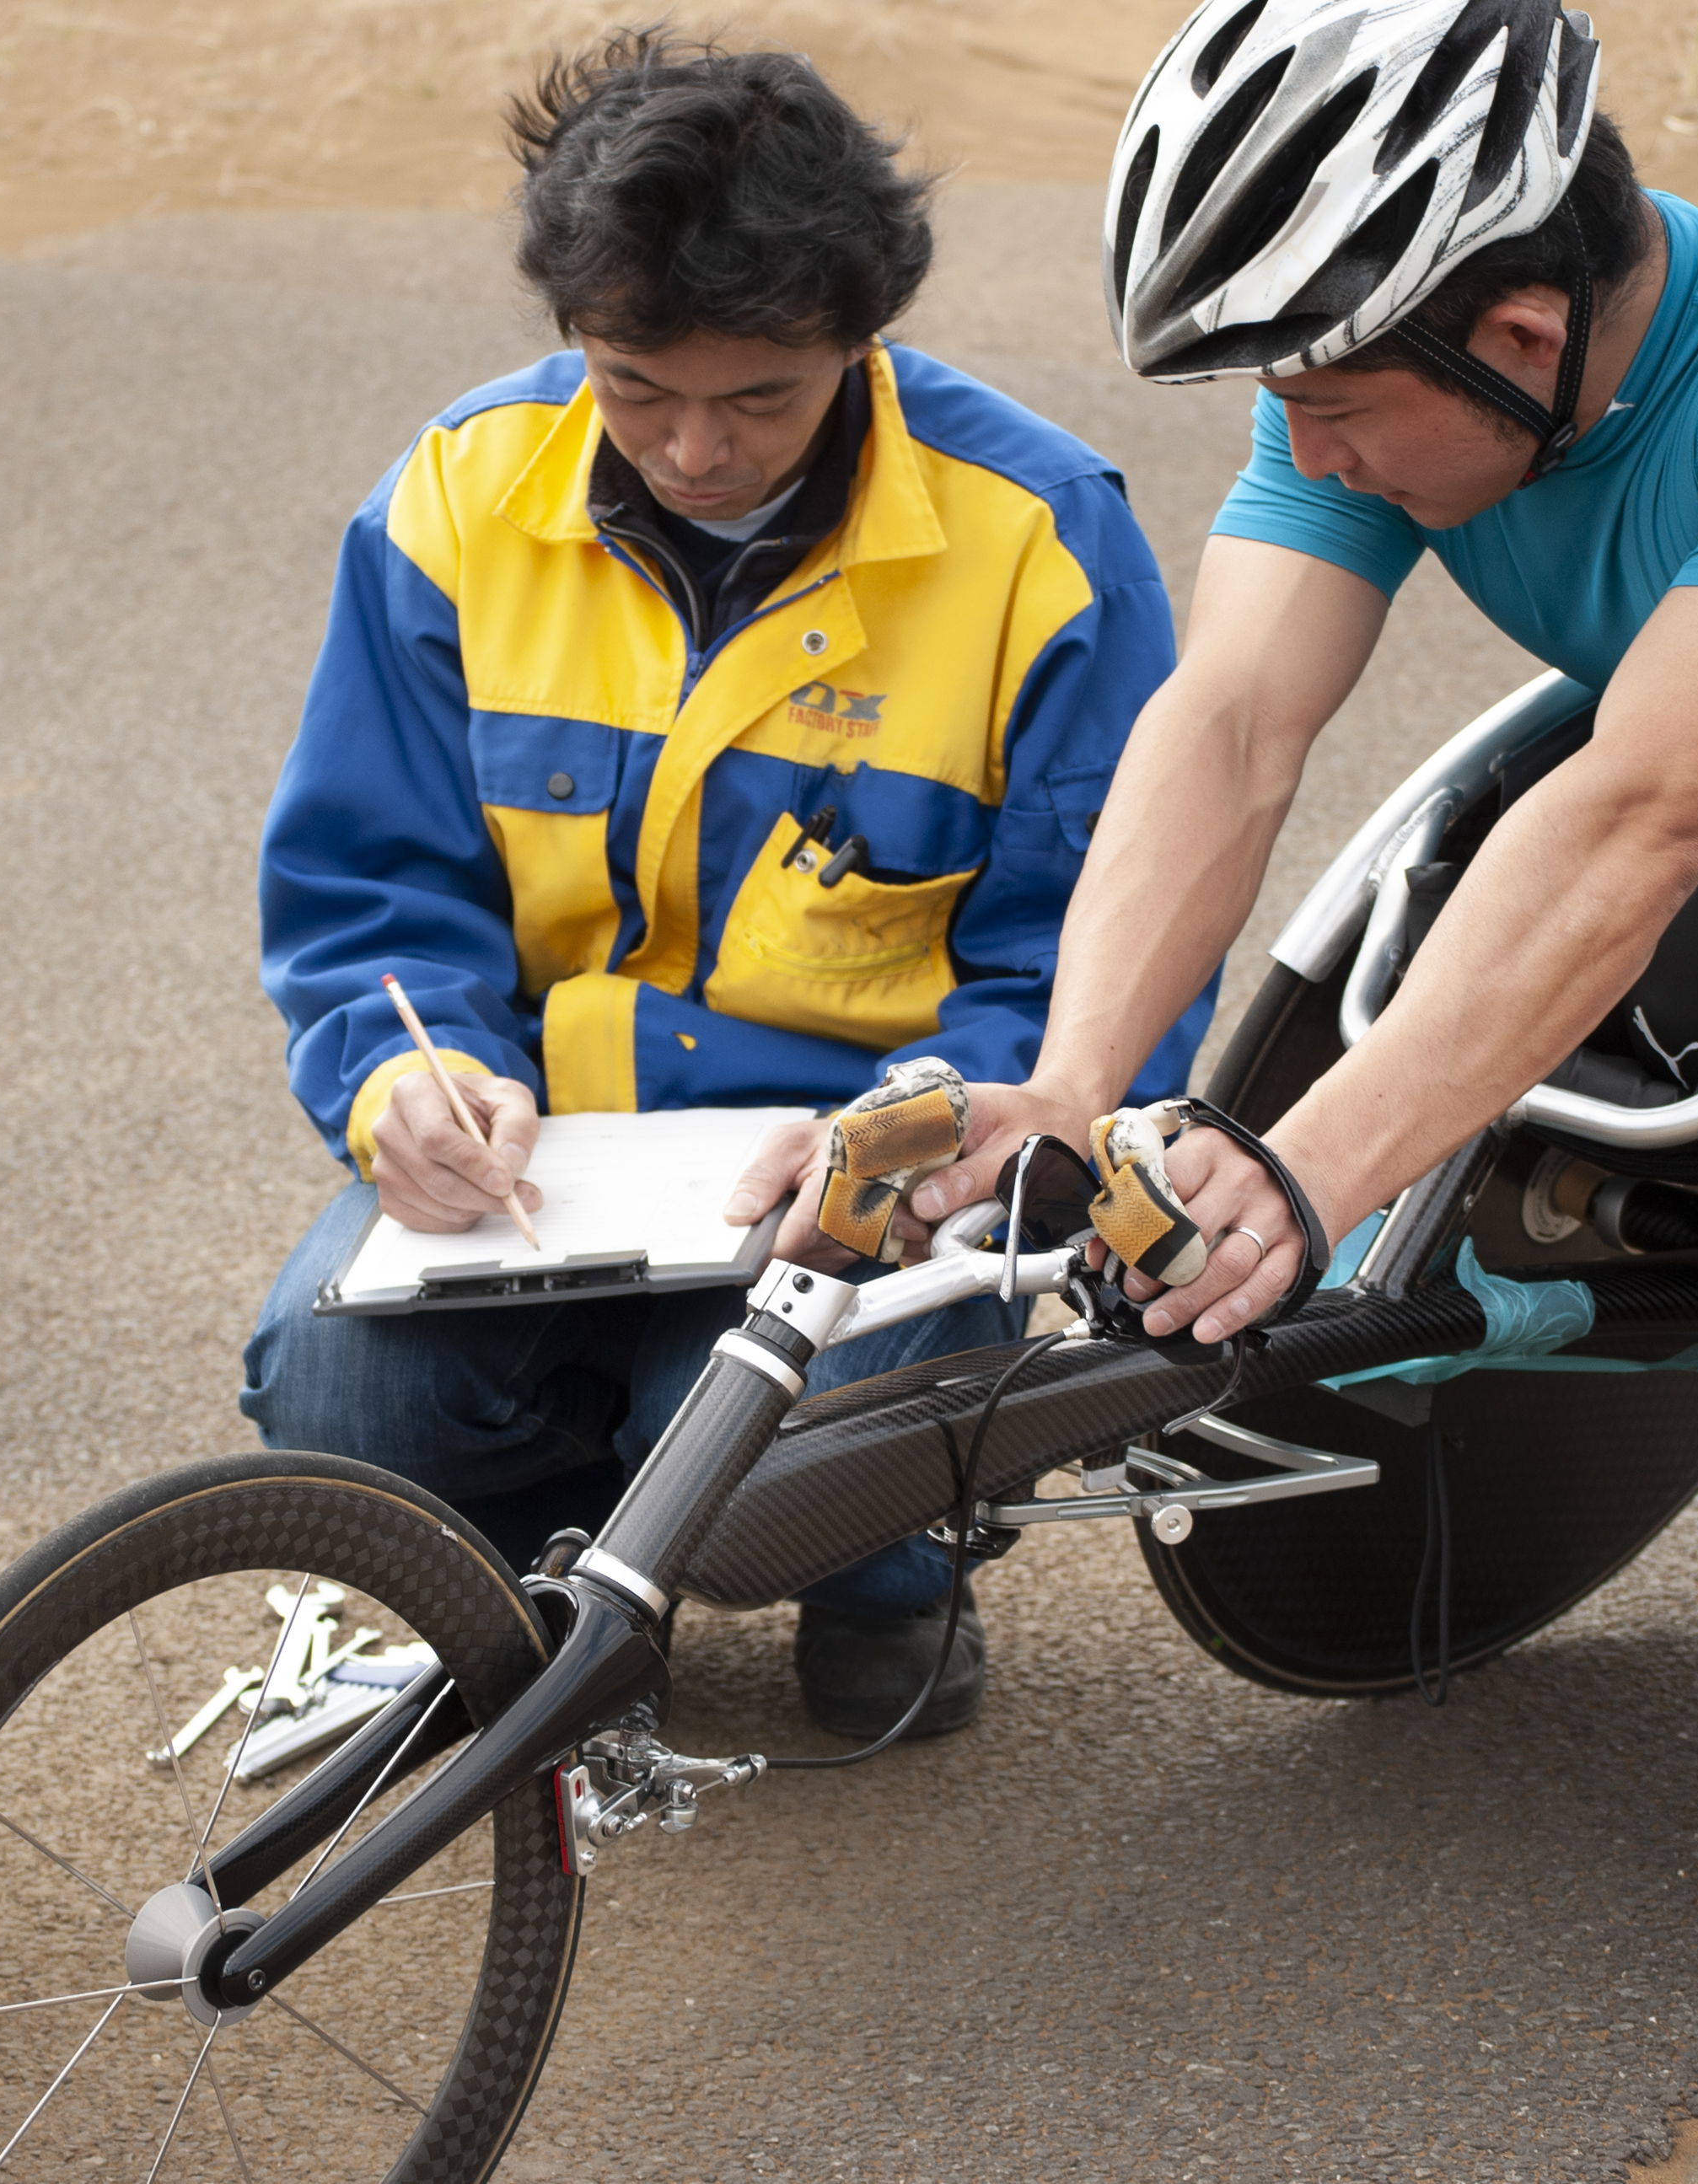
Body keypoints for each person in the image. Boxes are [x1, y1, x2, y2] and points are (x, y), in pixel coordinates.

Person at [908, 0, 1698, 1333]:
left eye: (1330, 413)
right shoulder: (1393, 372)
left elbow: (1640, 811)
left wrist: (1307, 1172)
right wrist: (1070, 1087)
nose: (1307, 451)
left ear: (1519, 338)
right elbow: (1231, 718)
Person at [242, 30, 1208, 1739]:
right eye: (633, 386)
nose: (692, 448)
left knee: (777, 1442)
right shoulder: (456, 497)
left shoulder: (1037, 536)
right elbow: (371, 885)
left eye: (760, 395)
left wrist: (935, 1140)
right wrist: (405, 1075)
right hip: (558, 1174)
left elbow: (1104, 953)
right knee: (331, 1383)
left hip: (876, 1185)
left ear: (860, 336)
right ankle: (536, 1602)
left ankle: (893, 1578)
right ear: (570, 335)